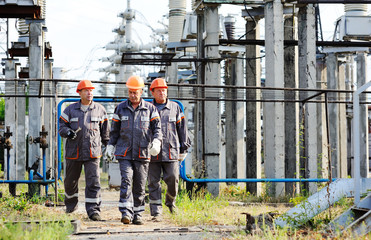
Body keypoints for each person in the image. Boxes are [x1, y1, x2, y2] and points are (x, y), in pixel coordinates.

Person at [106, 75, 162, 225]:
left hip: (142, 153)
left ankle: (138, 214)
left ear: (141, 91)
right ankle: (126, 212)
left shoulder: (151, 109)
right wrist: (111, 146)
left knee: (139, 184)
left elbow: (157, 129)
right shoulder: (120, 108)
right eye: (130, 92)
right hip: (124, 152)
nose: (133, 95)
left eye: (135, 92)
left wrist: (156, 142)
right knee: (126, 180)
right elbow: (114, 131)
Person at [59, 80, 110, 221]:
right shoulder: (70, 109)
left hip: (93, 153)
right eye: (86, 90)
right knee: (70, 181)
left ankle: (93, 211)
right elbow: (61, 127)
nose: (89, 93)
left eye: (91, 90)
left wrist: (110, 146)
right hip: (73, 152)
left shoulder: (100, 110)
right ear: (79, 92)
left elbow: (106, 133)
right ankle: (71, 207)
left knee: (93, 182)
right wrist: (68, 132)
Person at [148, 78, 191, 221]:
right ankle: (156, 212)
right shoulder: (147, 108)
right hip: (152, 152)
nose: (162, 93)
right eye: (158, 90)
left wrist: (184, 148)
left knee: (173, 178)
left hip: (171, 151)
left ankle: (171, 202)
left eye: (164, 90)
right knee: (153, 182)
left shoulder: (175, 108)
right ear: (152, 92)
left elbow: (182, 129)